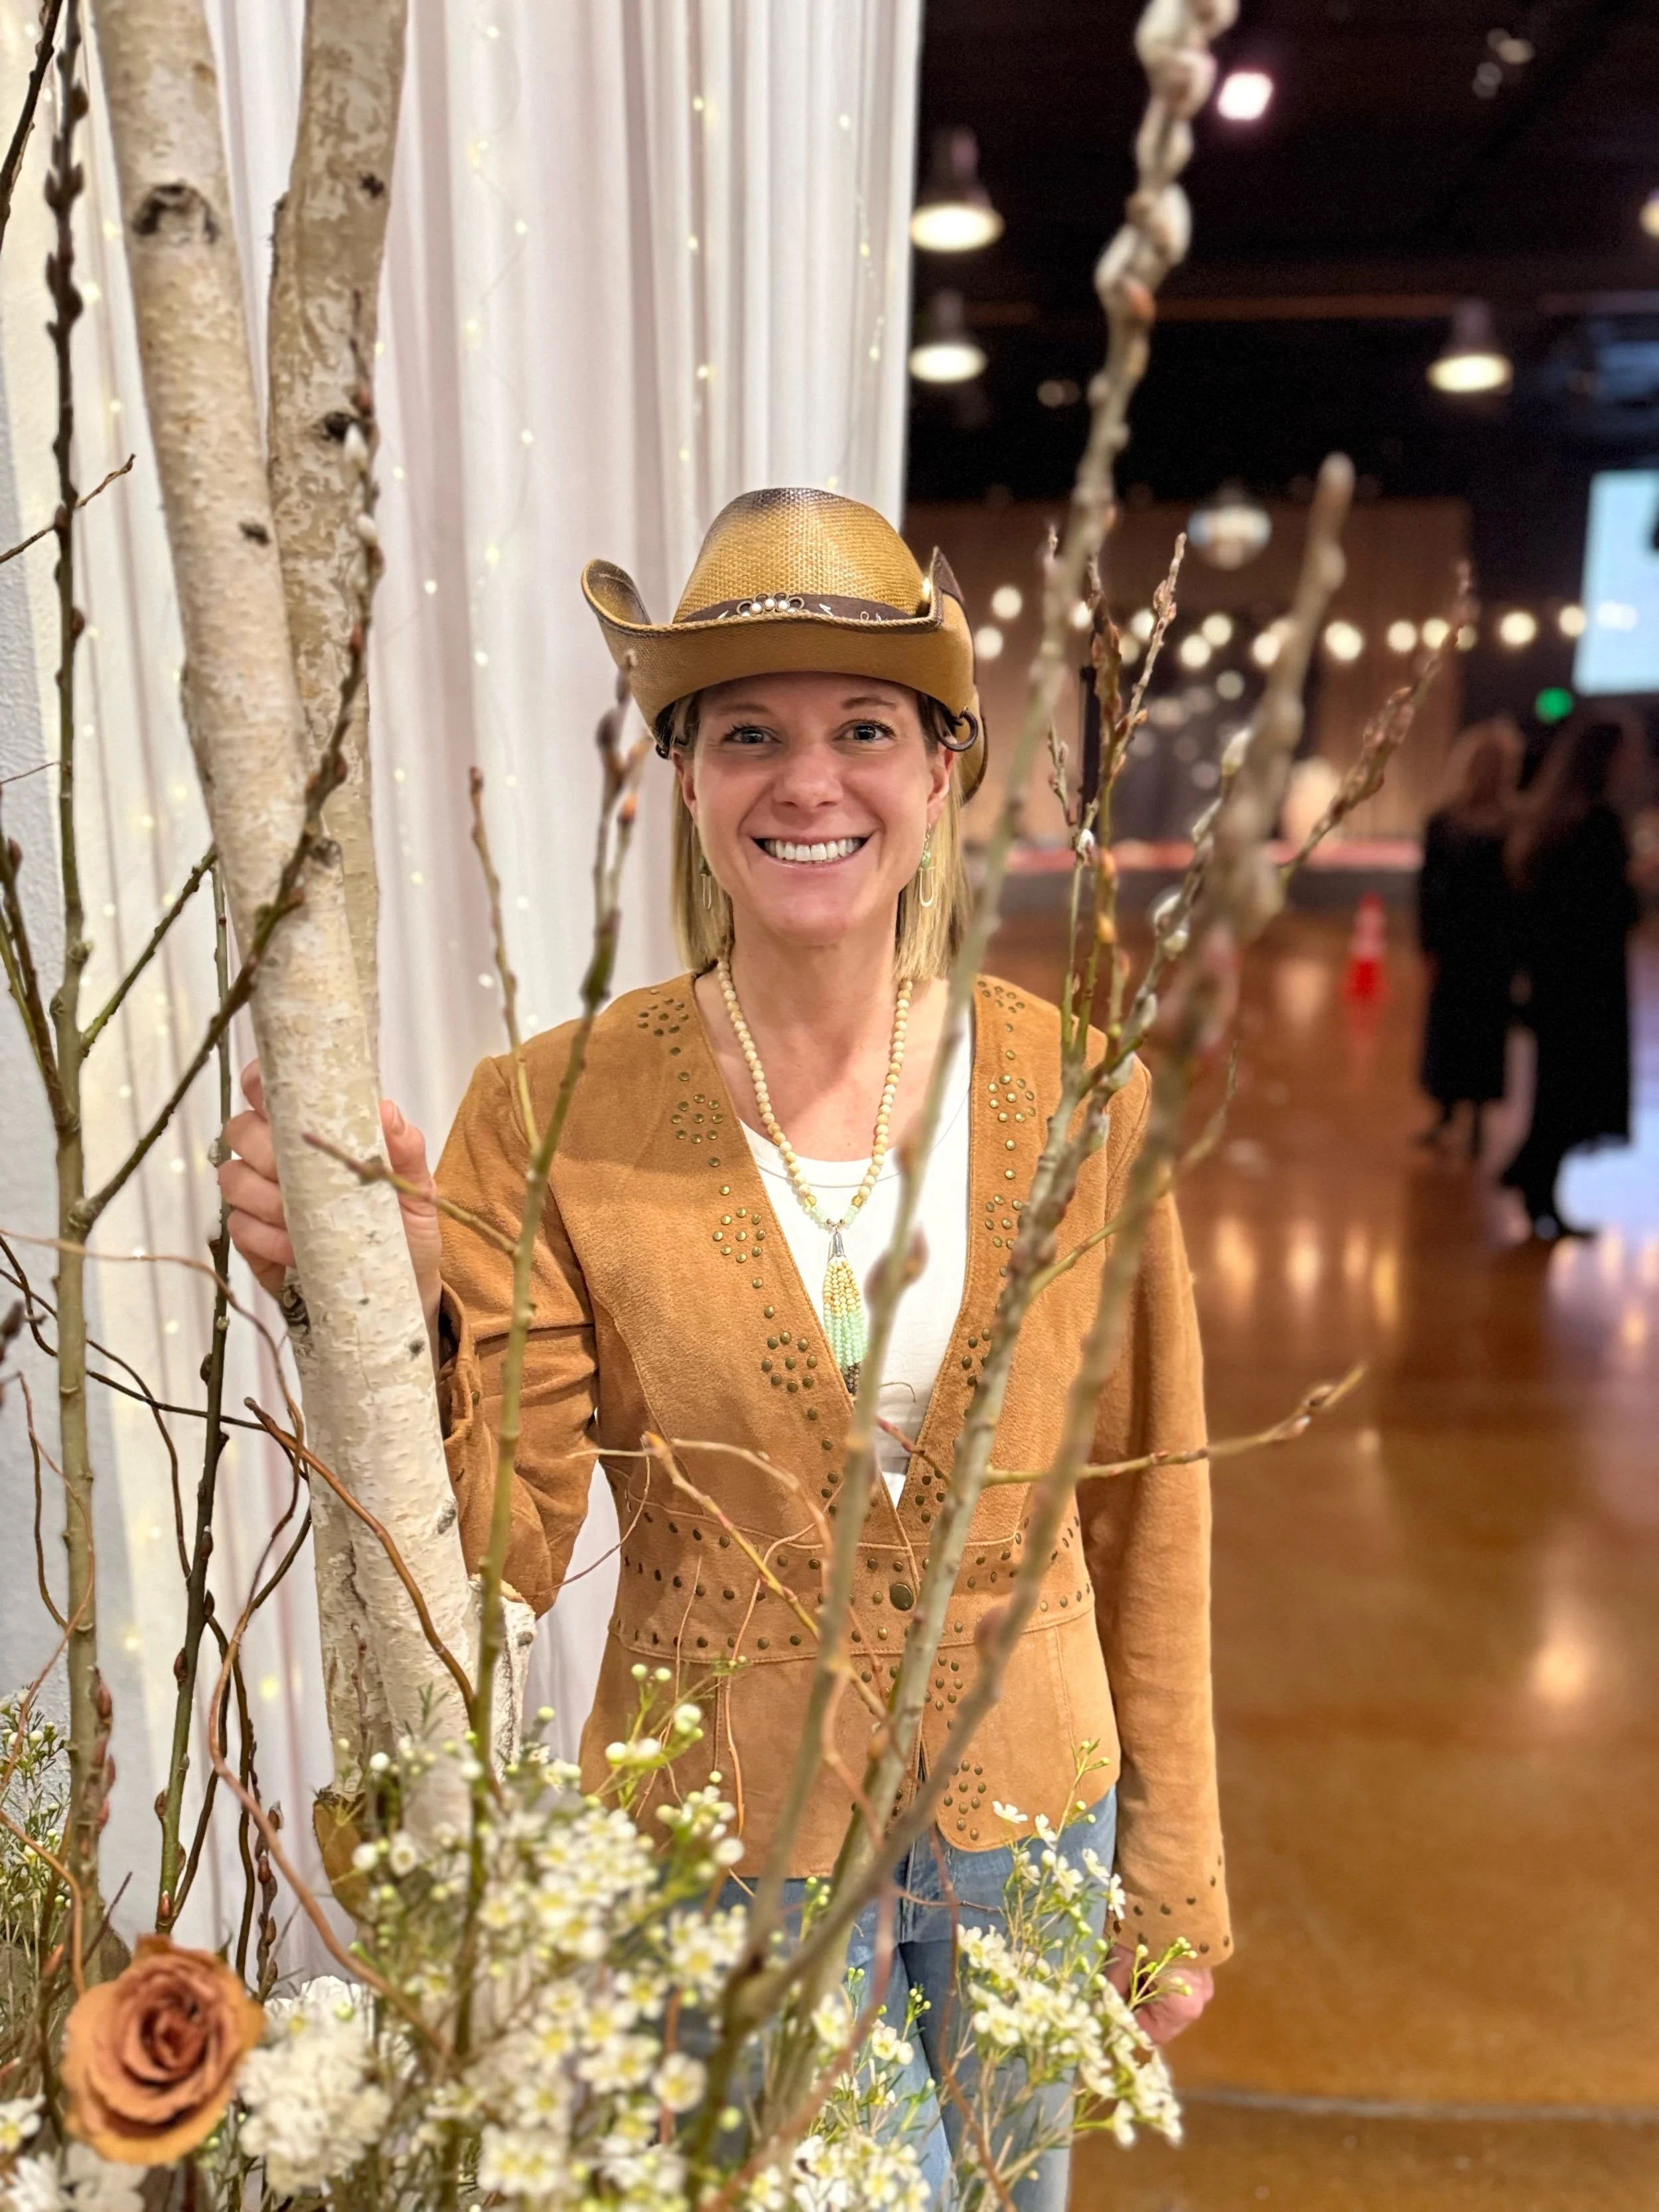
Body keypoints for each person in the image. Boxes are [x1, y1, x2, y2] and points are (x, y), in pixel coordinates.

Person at [218, 488, 1228, 2208]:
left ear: (945, 768)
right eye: (747, 731)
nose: (806, 781)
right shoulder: (549, 1110)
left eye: (864, 729)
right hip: (725, 1834)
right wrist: (391, 1298)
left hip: (1034, 1809)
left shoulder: (1080, 1092)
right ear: (683, 774)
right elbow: (499, 1542)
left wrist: (1174, 1864)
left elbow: (1149, 1501)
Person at [1499, 717, 1640, 1238]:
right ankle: (1536, 1182)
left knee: (1555, 1088)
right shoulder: (1597, 824)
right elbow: (1613, 910)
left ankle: (1533, 1179)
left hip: (1554, 978)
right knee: (1572, 1090)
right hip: (1588, 981)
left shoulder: (1551, 824)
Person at [1415, 718, 1520, 1158]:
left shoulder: (1515, 823)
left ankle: (1477, 1119)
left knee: (1486, 1033)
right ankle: (1444, 1113)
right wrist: (1428, 944)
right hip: (1454, 942)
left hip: (1494, 946)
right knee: (1448, 1028)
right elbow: (1427, 889)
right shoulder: (1444, 821)